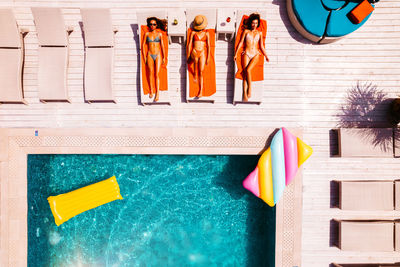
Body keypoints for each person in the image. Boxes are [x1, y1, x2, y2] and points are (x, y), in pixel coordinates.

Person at [234, 13, 269, 102]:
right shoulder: (246, 31)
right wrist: (236, 53)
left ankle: (250, 89)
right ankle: (244, 94)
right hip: (246, 53)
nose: (254, 25)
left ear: (258, 24)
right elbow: (241, 42)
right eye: (253, 23)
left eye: (256, 23)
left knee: (248, 70)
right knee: (245, 74)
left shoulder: (260, 33)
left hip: (255, 54)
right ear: (250, 23)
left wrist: (266, 56)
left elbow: (261, 46)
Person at [142, 17, 166, 102]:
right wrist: (144, 56)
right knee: (150, 73)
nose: (152, 26)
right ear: (149, 25)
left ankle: (157, 93)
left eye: (154, 24)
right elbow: (143, 46)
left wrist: (164, 57)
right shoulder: (147, 34)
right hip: (149, 54)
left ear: (156, 25)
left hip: (158, 54)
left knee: (157, 74)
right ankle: (151, 90)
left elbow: (162, 46)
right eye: (151, 24)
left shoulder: (159, 34)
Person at [187, 15, 210, 98]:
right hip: (194, 50)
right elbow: (189, 44)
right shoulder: (193, 33)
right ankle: (195, 74)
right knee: (195, 59)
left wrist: (208, 57)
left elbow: (209, 46)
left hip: (202, 52)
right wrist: (188, 53)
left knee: (201, 71)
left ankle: (200, 91)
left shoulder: (207, 34)